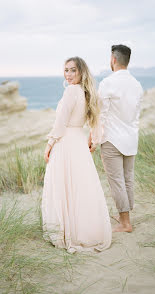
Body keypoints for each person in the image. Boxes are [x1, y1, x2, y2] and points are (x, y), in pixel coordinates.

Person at [42, 57, 112, 253]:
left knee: (64, 185)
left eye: (73, 70)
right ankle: (83, 230)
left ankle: (67, 231)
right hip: (79, 142)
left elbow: (61, 122)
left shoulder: (72, 91)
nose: (69, 74)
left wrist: (49, 143)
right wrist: (94, 140)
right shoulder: (87, 92)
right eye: (66, 70)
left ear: (81, 72)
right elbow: (96, 121)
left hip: (66, 142)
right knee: (79, 187)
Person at [94, 45, 143, 233]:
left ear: (113, 59)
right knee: (127, 178)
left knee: (116, 180)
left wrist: (94, 138)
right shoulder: (137, 85)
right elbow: (137, 114)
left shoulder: (108, 83)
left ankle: (125, 223)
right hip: (131, 138)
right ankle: (125, 215)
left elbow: (101, 114)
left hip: (112, 139)